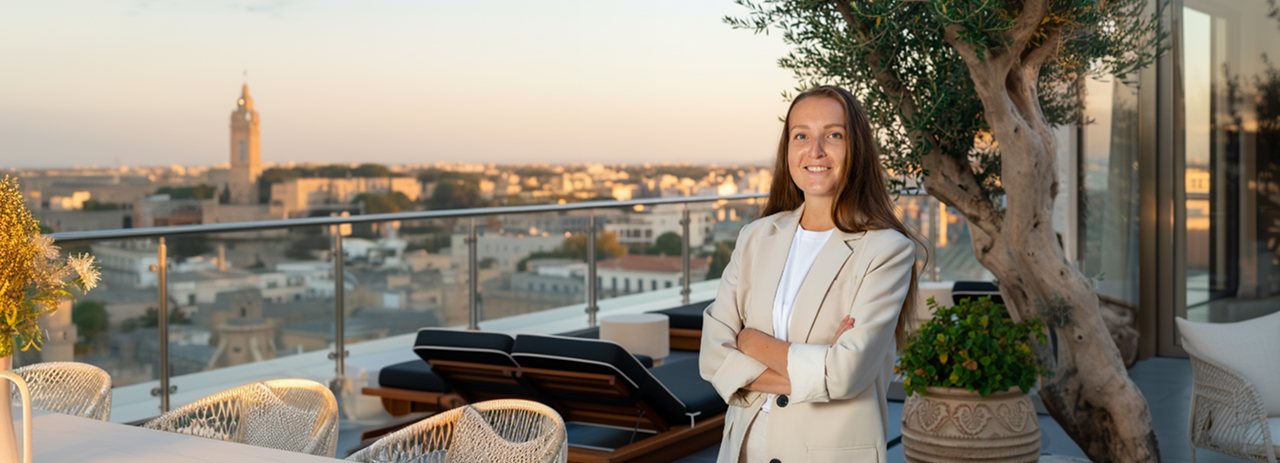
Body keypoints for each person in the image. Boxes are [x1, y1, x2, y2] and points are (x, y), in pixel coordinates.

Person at [699, 85, 922, 463]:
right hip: (744, 448)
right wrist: (816, 369)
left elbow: (845, 374)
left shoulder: (887, 250)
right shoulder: (756, 237)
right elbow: (712, 358)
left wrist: (750, 342)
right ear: (787, 149)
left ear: (856, 149)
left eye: (833, 135)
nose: (815, 150)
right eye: (801, 136)